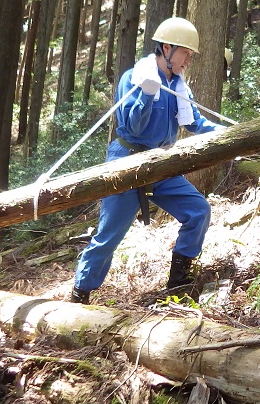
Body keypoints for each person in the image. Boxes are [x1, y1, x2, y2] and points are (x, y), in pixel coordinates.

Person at [71, 17, 223, 304]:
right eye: (185, 53)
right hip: (127, 161)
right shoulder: (135, 77)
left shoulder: (178, 85)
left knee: (198, 210)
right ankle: (81, 293)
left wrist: (230, 133)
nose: (188, 60)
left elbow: (195, 123)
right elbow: (134, 127)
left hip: (161, 164)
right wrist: (146, 94)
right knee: (110, 234)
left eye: (190, 55)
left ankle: (178, 281)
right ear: (167, 48)